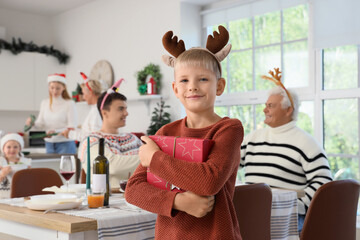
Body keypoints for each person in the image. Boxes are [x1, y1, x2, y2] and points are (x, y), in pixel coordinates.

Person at [125, 26, 244, 240]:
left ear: (220, 86)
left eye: (203, 79)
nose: (193, 87)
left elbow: (209, 182)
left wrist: (154, 158)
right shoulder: (165, 131)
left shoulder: (229, 129)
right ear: (175, 89)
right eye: (184, 80)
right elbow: (133, 190)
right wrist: (179, 202)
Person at [240, 68, 333, 233]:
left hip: (288, 218)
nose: (265, 110)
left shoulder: (306, 142)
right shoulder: (252, 138)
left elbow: (324, 183)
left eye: (270, 106)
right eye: (265, 105)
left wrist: (298, 207)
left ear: (288, 110)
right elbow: (229, 164)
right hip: (250, 212)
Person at [80, 79, 142, 188]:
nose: (126, 113)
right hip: (106, 200)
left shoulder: (133, 138)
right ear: (104, 113)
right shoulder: (91, 140)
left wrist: (150, 159)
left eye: (126, 109)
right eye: (120, 109)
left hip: (137, 197)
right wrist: (150, 159)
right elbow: (111, 165)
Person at [25, 73, 78, 154]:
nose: (54, 91)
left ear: (64, 87)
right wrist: (32, 123)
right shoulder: (44, 103)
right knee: (50, 167)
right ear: (49, 87)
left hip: (65, 143)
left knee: (67, 167)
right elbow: (40, 123)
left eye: (58, 88)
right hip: (49, 143)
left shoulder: (69, 103)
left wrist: (55, 132)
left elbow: (72, 126)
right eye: (52, 88)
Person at [61, 73, 106, 160]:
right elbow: (89, 132)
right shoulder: (95, 109)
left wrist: (71, 134)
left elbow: (93, 137)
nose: (83, 97)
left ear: (91, 93)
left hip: (91, 158)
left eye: (84, 93)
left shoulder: (96, 112)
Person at [0, 133, 31, 198]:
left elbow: (30, 180)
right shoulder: (1, 162)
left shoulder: (25, 162)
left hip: (21, 194)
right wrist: (3, 174)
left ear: (20, 148)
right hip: (3, 195)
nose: (12, 149)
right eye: (8, 147)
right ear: (3, 149)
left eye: (15, 147)